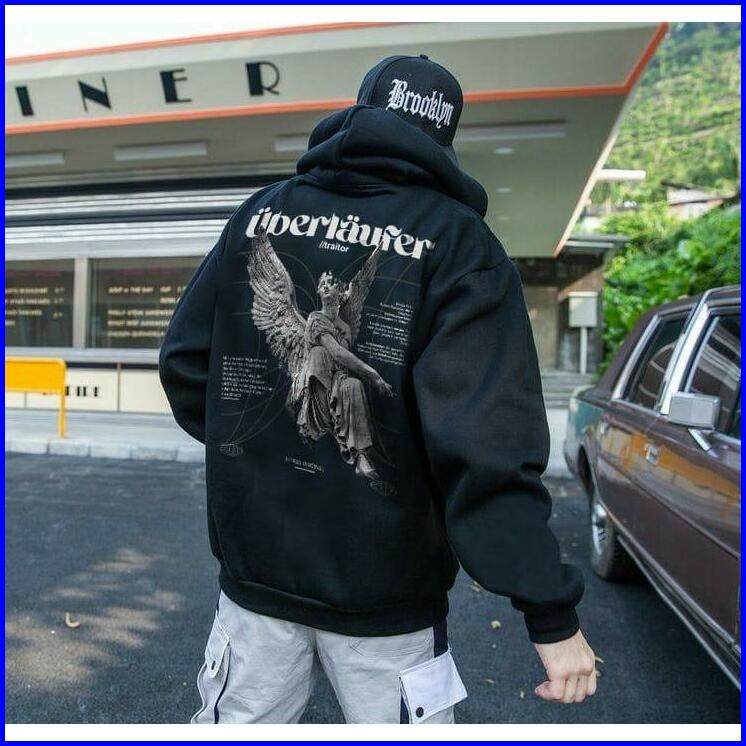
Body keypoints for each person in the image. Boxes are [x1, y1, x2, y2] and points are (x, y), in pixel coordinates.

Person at [159, 54, 596, 725]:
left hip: (256, 588)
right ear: (444, 140)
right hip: (388, 604)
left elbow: (188, 366)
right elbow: (487, 445)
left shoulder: (262, 214)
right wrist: (550, 612)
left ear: (360, 110)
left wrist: (261, 457)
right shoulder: (460, 246)